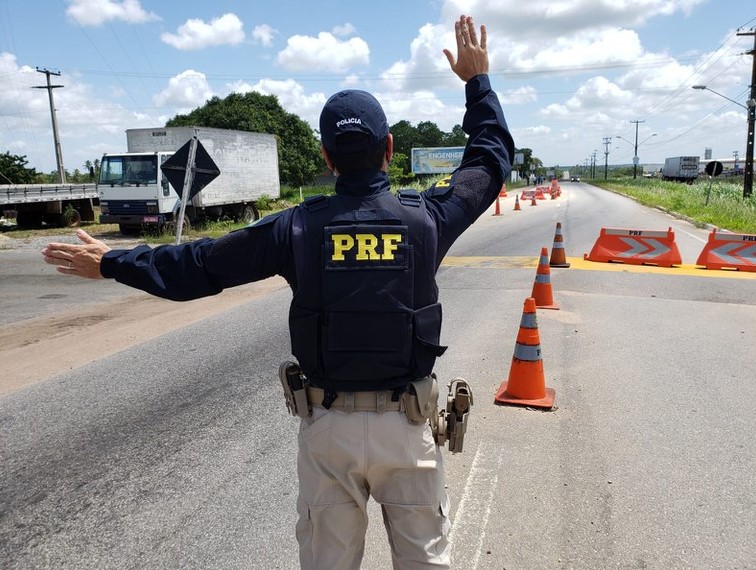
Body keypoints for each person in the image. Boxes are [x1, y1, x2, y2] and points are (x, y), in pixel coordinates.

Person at [42, 14, 514, 569]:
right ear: (390, 147)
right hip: (408, 429)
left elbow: (198, 266)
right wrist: (476, 84)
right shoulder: (428, 220)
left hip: (329, 431)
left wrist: (113, 264)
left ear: (325, 157)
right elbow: (488, 160)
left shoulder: (295, 228)